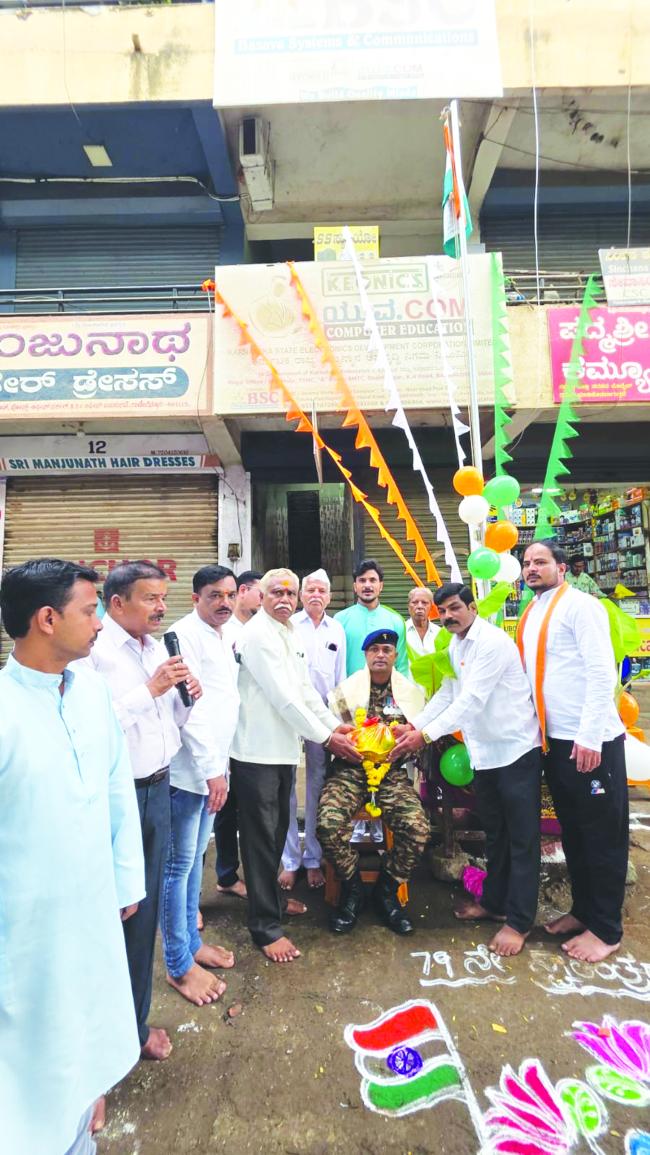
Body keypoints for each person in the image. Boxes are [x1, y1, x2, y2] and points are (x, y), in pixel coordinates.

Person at [0, 559, 145, 1155]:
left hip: (91, 907)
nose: (100, 625)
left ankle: (82, 1109)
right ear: (46, 618)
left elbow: (116, 787)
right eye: (90, 611)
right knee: (30, 1055)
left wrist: (124, 881)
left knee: (88, 1023)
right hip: (23, 930)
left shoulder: (89, 693)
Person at [81, 561, 202, 1061]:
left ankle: (133, 1021)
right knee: (119, 913)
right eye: (150, 598)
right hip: (119, 795)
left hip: (159, 786)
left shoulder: (155, 648)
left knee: (145, 907)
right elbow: (90, 724)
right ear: (115, 604)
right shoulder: (92, 653)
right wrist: (147, 690)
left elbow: (163, 721)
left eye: (162, 598)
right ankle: (121, 1032)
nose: (160, 608)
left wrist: (184, 699)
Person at [391, 583, 542, 957]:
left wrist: (423, 737)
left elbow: (473, 700)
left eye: (454, 608)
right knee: (495, 832)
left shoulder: (490, 642)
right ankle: (494, 903)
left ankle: (519, 921)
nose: (447, 617)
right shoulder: (457, 643)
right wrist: (415, 724)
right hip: (485, 753)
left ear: (472, 607)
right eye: (442, 611)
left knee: (521, 838)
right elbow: (448, 692)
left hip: (515, 749)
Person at [230, 567, 360, 963]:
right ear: (261, 596)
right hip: (256, 754)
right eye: (277, 593)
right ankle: (265, 928)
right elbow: (284, 699)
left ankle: (269, 903)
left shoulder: (288, 634)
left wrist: (336, 725)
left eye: (291, 593)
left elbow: (305, 691)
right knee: (259, 841)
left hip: (284, 752)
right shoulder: (255, 636)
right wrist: (327, 739)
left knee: (276, 834)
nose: (284, 599)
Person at [519, 539, 627, 963]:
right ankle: (583, 911)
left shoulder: (582, 607)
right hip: (554, 741)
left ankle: (606, 929)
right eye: (527, 563)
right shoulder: (534, 611)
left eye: (540, 562)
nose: (532, 569)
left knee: (602, 835)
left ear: (562, 568)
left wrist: (589, 736)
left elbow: (602, 673)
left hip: (591, 741)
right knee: (575, 833)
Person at [160, 565, 240, 1007]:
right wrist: (212, 771)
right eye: (214, 595)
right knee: (178, 867)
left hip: (211, 767)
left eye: (229, 594)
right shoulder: (183, 636)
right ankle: (177, 962)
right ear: (195, 598)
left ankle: (191, 945)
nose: (224, 602)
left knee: (193, 866)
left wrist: (220, 767)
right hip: (187, 774)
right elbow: (189, 708)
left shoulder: (223, 635)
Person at [318, 628, 430, 937]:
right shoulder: (346, 691)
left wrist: (408, 739)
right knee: (327, 825)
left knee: (418, 828)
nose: (380, 654)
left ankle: (386, 890)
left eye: (386, 650)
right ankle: (352, 888)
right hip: (349, 770)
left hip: (391, 773)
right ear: (365, 656)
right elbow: (330, 731)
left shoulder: (410, 693)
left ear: (395, 656)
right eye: (374, 650)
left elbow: (421, 740)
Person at [279, 569, 347, 892]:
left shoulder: (338, 630)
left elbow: (340, 680)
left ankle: (313, 858)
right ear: (301, 596)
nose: (316, 595)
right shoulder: (288, 628)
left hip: (324, 720)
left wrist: (341, 723)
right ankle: (291, 860)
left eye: (322, 590)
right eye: (310, 590)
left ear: (329, 597)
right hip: (292, 716)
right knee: (288, 788)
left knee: (318, 784)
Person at [215, 570, 263, 900]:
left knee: (243, 810)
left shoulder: (257, 630)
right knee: (219, 809)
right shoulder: (223, 632)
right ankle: (224, 875)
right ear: (244, 591)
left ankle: (231, 875)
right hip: (223, 736)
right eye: (261, 593)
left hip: (250, 733)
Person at [335, 558, 408, 676]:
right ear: (355, 586)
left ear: (381, 586)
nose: (367, 585)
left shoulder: (395, 621)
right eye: (362, 580)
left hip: (386, 693)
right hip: (350, 691)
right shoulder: (340, 620)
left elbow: (402, 666)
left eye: (372, 580)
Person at [405, 586, 439, 656]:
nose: (419, 606)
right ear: (408, 606)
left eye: (424, 603)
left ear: (431, 607)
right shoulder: (401, 632)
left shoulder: (438, 632)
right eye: (415, 602)